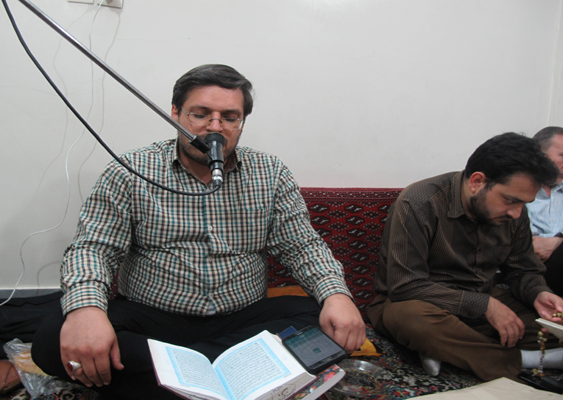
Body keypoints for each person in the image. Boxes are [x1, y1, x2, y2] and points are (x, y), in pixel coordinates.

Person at [31, 64, 365, 400]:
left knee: (328, 321)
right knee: (53, 338)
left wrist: (337, 295)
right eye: (201, 114)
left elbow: (302, 246)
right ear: (176, 113)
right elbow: (93, 248)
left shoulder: (271, 172)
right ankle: (235, 375)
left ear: (242, 122)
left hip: (241, 322)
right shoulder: (130, 169)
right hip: (155, 321)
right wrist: (86, 312)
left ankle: (180, 377)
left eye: (229, 117)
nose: (214, 127)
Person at [367, 132, 563, 382]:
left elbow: (523, 270)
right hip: (418, 303)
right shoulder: (419, 201)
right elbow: (406, 286)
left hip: (482, 299)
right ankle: (524, 360)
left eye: (523, 204)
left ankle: (449, 349)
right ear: (477, 182)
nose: (516, 213)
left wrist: (538, 293)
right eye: (510, 200)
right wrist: (485, 305)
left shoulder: (515, 213)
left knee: (552, 327)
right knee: (413, 322)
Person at [527, 126, 563, 296]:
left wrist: (557, 241)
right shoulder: (517, 191)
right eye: (562, 156)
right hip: (530, 271)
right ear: (539, 155)